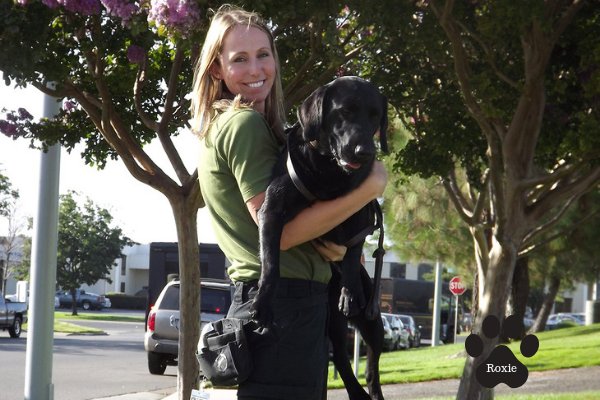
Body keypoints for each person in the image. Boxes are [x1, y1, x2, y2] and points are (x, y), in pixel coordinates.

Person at [190, 5, 387, 400]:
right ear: (216, 70)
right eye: (239, 59)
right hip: (282, 305)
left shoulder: (241, 125)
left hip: (284, 305)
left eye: (264, 55)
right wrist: (370, 187)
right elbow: (278, 231)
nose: (256, 68)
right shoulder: (243, 124)